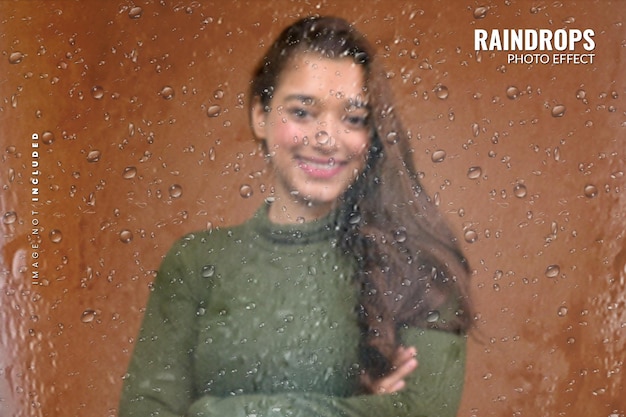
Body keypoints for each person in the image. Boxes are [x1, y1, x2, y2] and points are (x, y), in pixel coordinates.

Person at [119, 16, 472, 417]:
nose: (326, 138)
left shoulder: (416, 267)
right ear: (259, 115)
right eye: (302, 112)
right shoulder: (196, 262)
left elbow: (425, 412)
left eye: (353, 118)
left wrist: (214, 412)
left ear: (371, 134)